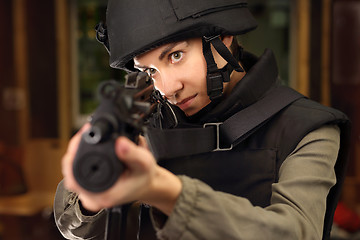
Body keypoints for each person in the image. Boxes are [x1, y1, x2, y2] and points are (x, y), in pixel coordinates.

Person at [54, 0, 351, 239]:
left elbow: (297, 233)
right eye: (150, 71)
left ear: (223, 37)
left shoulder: (308, 129)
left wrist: (163, 190)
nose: (167, 88)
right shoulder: (144, 119)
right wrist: (92, 190)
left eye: (175, 56)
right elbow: (74, 227)